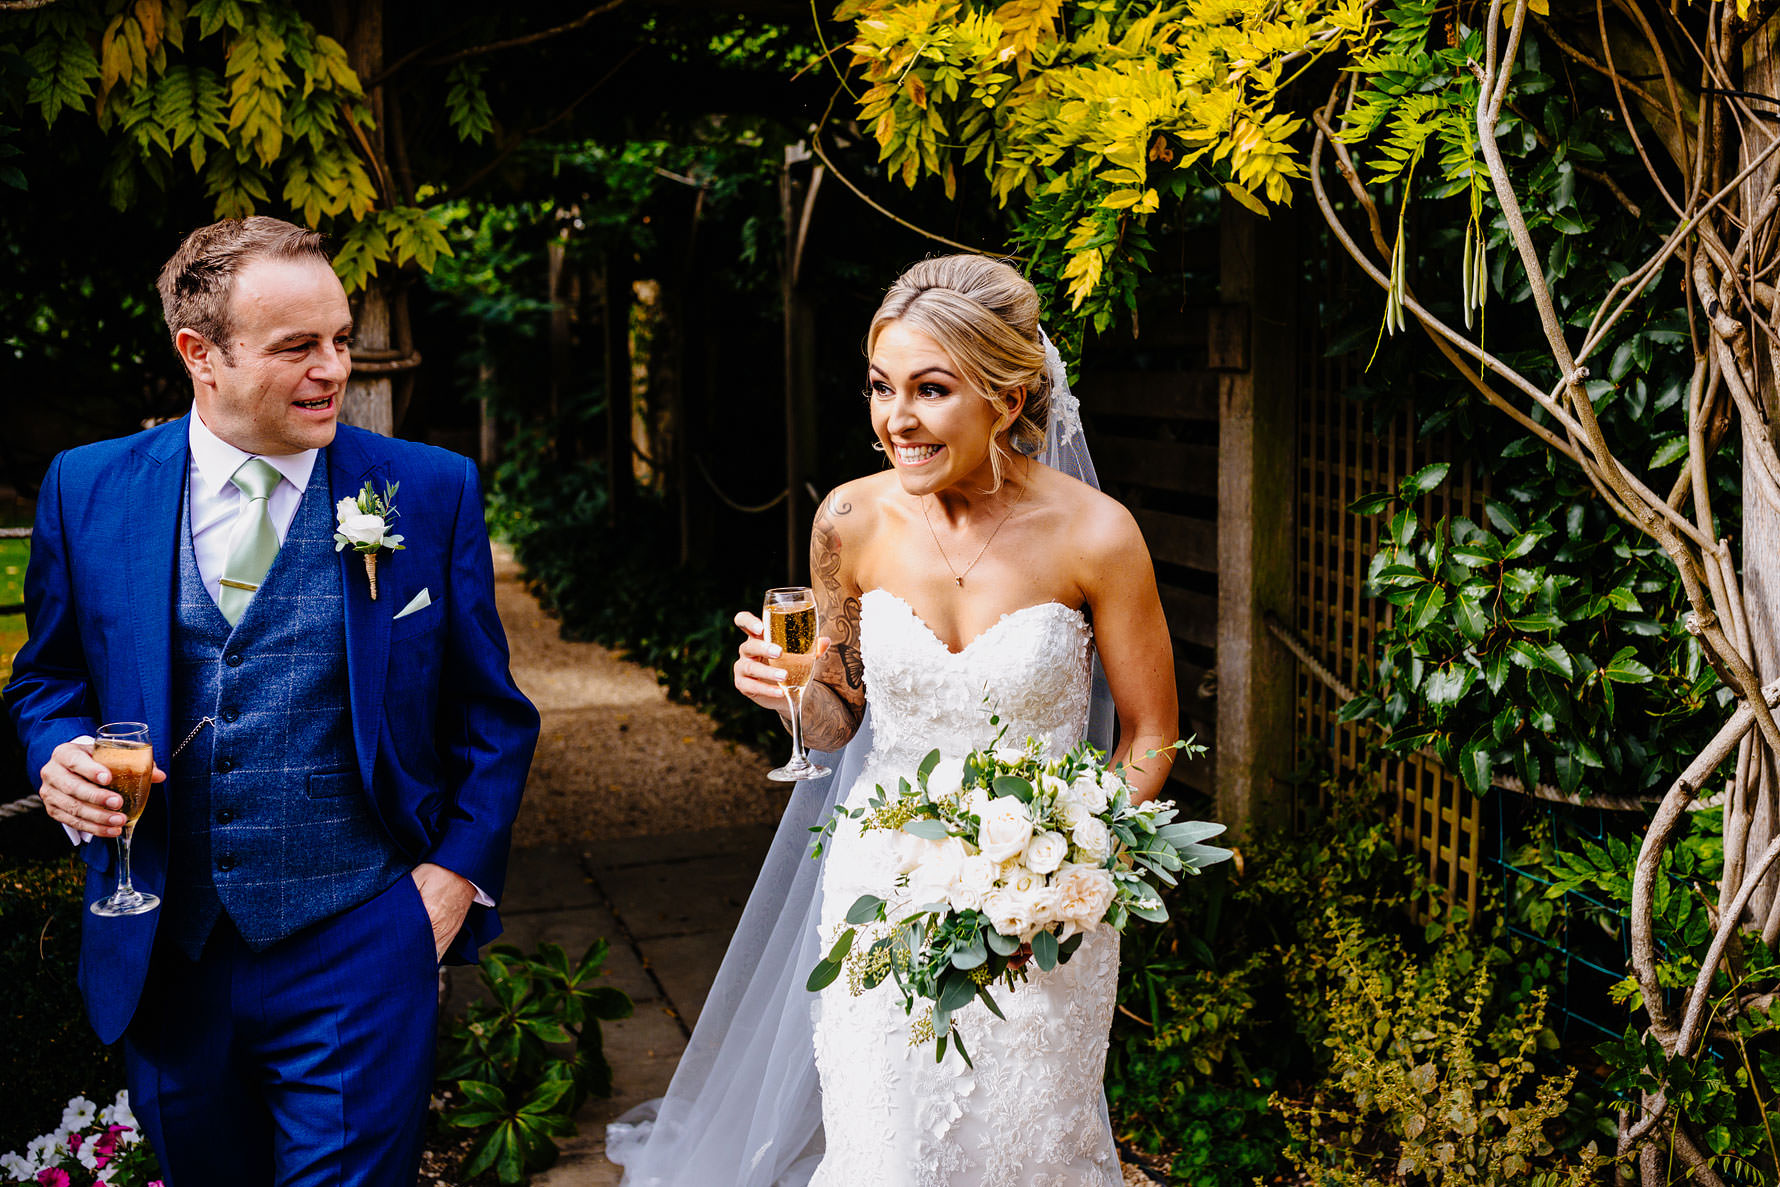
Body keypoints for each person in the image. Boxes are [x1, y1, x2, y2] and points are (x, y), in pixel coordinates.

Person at [606, 254, 1176, 1185]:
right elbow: (837, 720)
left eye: (930, 389)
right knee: (885, 1147)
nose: (894, 420)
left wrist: (1071, 864)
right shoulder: (850, 520)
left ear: (1010, 391)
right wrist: (792, 690)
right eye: (880, 387)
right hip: (882, 885)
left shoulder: (1098, 535)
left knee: (1024, 1145)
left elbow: (1149, 734)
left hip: (1039, 905)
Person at [5, 216, 540, 1185]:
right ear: (199, 354)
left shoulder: (427, 490)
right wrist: (58, 753)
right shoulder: (85, 491)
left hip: (358, 946)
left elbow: (494, 715)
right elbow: (48, 677)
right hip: (170, 951)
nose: (332, 367)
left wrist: (452, 879)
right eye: (298, 345)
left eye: (339, 338)